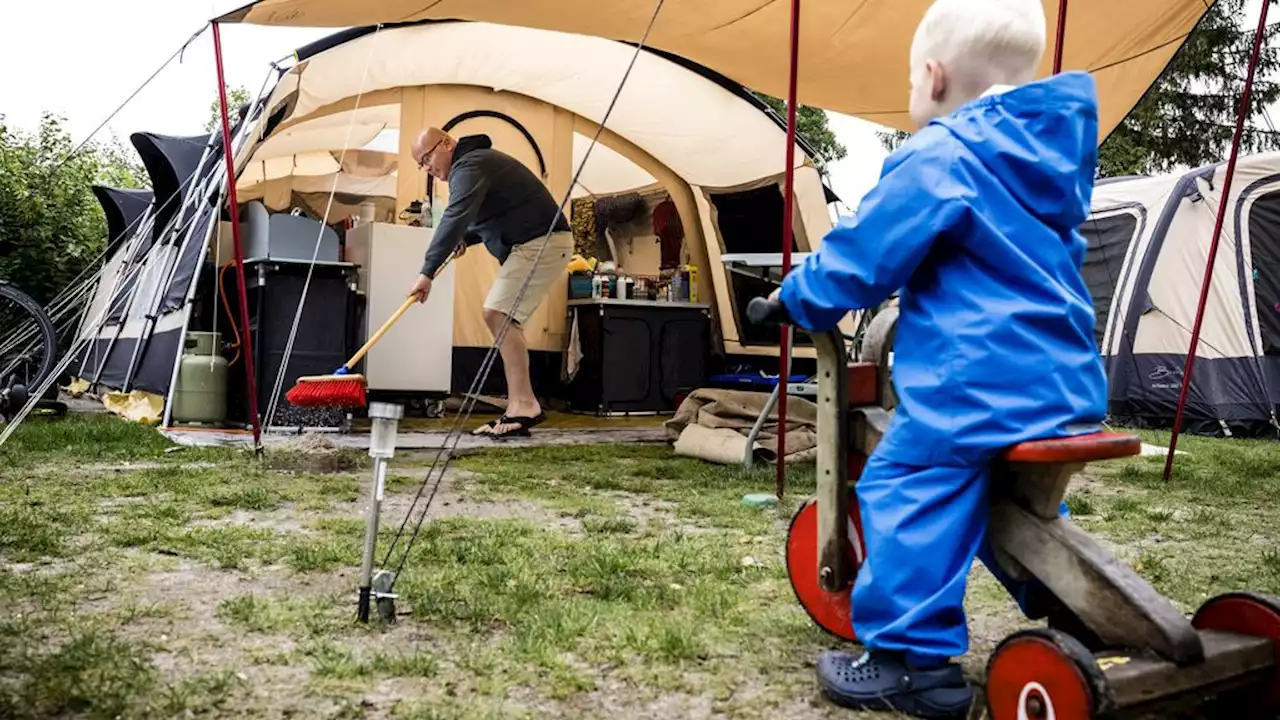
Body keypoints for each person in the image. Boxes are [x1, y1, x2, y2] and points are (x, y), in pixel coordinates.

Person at [769, 0, 1109, 716]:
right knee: (1013, 494)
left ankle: (911, 664)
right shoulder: (1050, 158)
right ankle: (1077, 606)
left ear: (932, 74)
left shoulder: (943, 153)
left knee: (910, 477)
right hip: (1066, 382)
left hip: (978, 381)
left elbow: (865, 256)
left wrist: (799, 298)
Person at [408, 128, 574, 438]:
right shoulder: (475, 165)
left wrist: (426, 272)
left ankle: (524, 405)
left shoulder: (470, 165)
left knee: (497, 314)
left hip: (542, 242)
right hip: (538, 243)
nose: (427, 168)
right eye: (421, 164)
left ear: (446, 143)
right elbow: (490, 215)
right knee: (502, 316)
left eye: (427, 158)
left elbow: (456, 215)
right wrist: (465, 239)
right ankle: (520, 405)